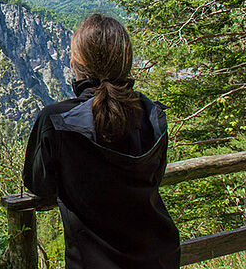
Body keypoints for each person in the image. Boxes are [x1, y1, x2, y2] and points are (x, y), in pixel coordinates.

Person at [23, 14, 180, 268]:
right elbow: (156, 176)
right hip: (160, 257)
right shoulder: (153, 115)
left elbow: (38, 185)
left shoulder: (57, 120)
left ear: (77, 64)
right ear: (125, 61)